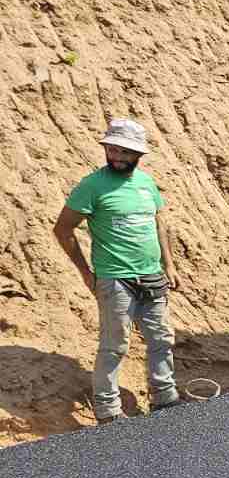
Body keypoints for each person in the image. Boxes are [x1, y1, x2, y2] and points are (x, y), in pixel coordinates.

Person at [52, 118, 181, 424]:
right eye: (113, 150)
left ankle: (165, 397)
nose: (119, 157)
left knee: (162, 338)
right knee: (115, 344)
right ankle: (108, 411)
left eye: (126, 152)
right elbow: (63, 230)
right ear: (106, 148)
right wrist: (87, 273)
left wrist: (170, 265)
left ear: (139, 154)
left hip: (152, 275)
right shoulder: (91, 186)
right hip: (115, 279)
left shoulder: (147, 183)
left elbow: (158, 223)